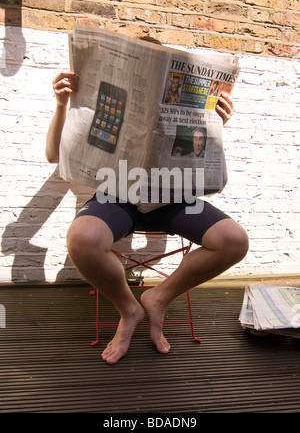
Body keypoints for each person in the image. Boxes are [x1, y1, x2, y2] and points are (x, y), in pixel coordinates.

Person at [46, 69, 249, 365]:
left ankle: (158, 298)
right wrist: (61, 103)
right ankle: (129, 309)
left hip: (171, 198)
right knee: (82, 238)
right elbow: (53, 155)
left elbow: (201, 166)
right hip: (118, 195)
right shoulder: (105, 105)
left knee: (235, 241)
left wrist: (215, 125)